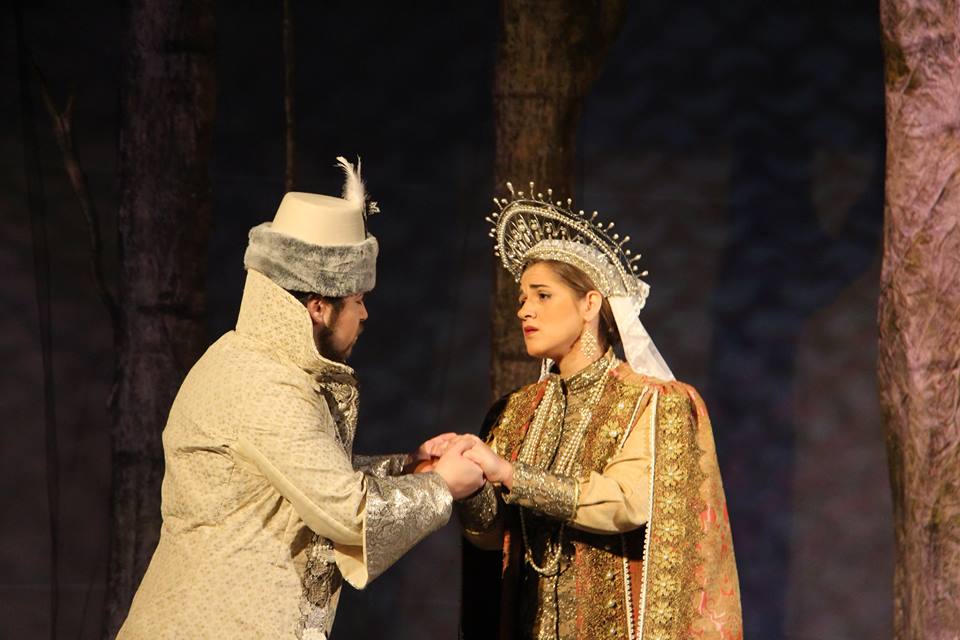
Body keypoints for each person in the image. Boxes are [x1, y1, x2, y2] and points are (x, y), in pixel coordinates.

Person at [118, 158, 484, 640]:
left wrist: (409, 468)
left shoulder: (254, 361)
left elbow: (308, 479)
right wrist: (440, 487)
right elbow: (347, 512)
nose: (365, 315)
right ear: (318, 307)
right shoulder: (265, 384)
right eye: (358, 300)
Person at [454, 183, 743, 640]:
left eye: (542, 295)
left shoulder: (652, 401)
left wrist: (510, 474)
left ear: (590, 304)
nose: (524, 310)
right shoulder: (515, 412)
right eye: (522, 297)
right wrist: (464, 482)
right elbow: (495, 538)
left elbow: (626, 502)